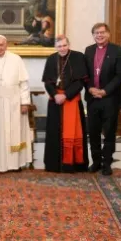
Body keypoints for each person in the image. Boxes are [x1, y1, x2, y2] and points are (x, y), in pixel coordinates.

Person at [0, 35, 33, 172]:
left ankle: (15, 164)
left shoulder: (16, 59)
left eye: (1, 45)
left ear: (6, 45)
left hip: (15, 102)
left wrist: (25, 102)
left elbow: (24, 84)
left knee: (16, 133)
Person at [42, 36, 89, 173]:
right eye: (59, 46)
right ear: (55, 47)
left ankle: (73, 164)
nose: (62, 48)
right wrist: (55, 95)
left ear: (68, 44)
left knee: (74, 132)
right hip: (55, 100)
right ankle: (54, 165)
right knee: (54, 133)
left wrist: (66, 95)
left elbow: (80, 82)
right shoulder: (51, 59)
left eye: (64, 45)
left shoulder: (78, 57)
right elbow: (47, 82)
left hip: (71, 99)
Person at [84, 22, 121, 176]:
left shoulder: (118, 50)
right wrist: (90, 88)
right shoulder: (88, 50)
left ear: (108, 34)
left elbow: (120, 75)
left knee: (109, 132)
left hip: (109, 98)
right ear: (93, 35)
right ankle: (95, 161)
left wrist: (105, 91)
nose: (99, 35)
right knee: (93, 131)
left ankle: (107, 163)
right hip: (92, 98)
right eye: (96, 33)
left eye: (102, 32)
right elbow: (85, 74)